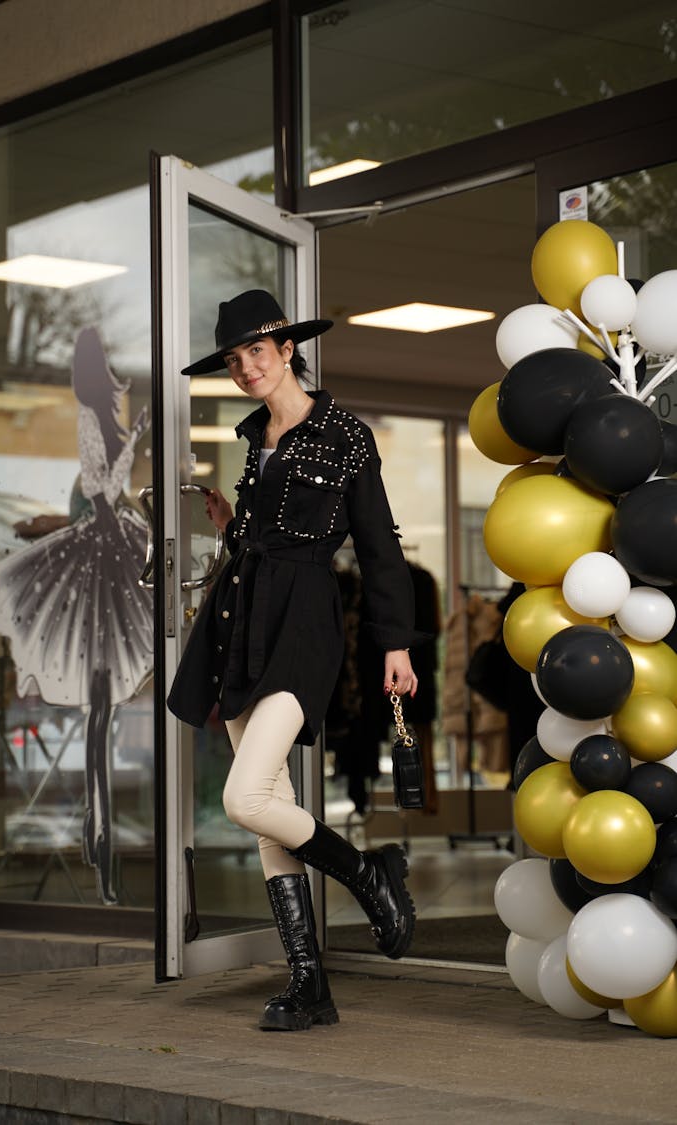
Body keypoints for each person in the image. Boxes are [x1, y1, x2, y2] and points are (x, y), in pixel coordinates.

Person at [168, 289, 422, 1032]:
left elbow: (379, 546)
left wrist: (396, 640)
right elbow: (268, 531)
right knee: (267, 811)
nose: (245, 366)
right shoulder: (257, 437)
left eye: (257, 350)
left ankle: (372, 875)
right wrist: (229, 523)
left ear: (287, 348)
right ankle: (309, 983)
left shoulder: (343, 433)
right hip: (239, 623)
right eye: (233, 357)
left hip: (302, 627)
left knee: (246, 796)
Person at [0, 326, 153, 904]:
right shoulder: (92, 420)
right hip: (103, 555)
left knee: (102, 704)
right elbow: (103, 490)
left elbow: (104, 491)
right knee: (100, 702)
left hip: (110, 552)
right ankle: (99, 826)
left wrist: (130, 438)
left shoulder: (100, 418)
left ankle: (98, 825)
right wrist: (132, 444)